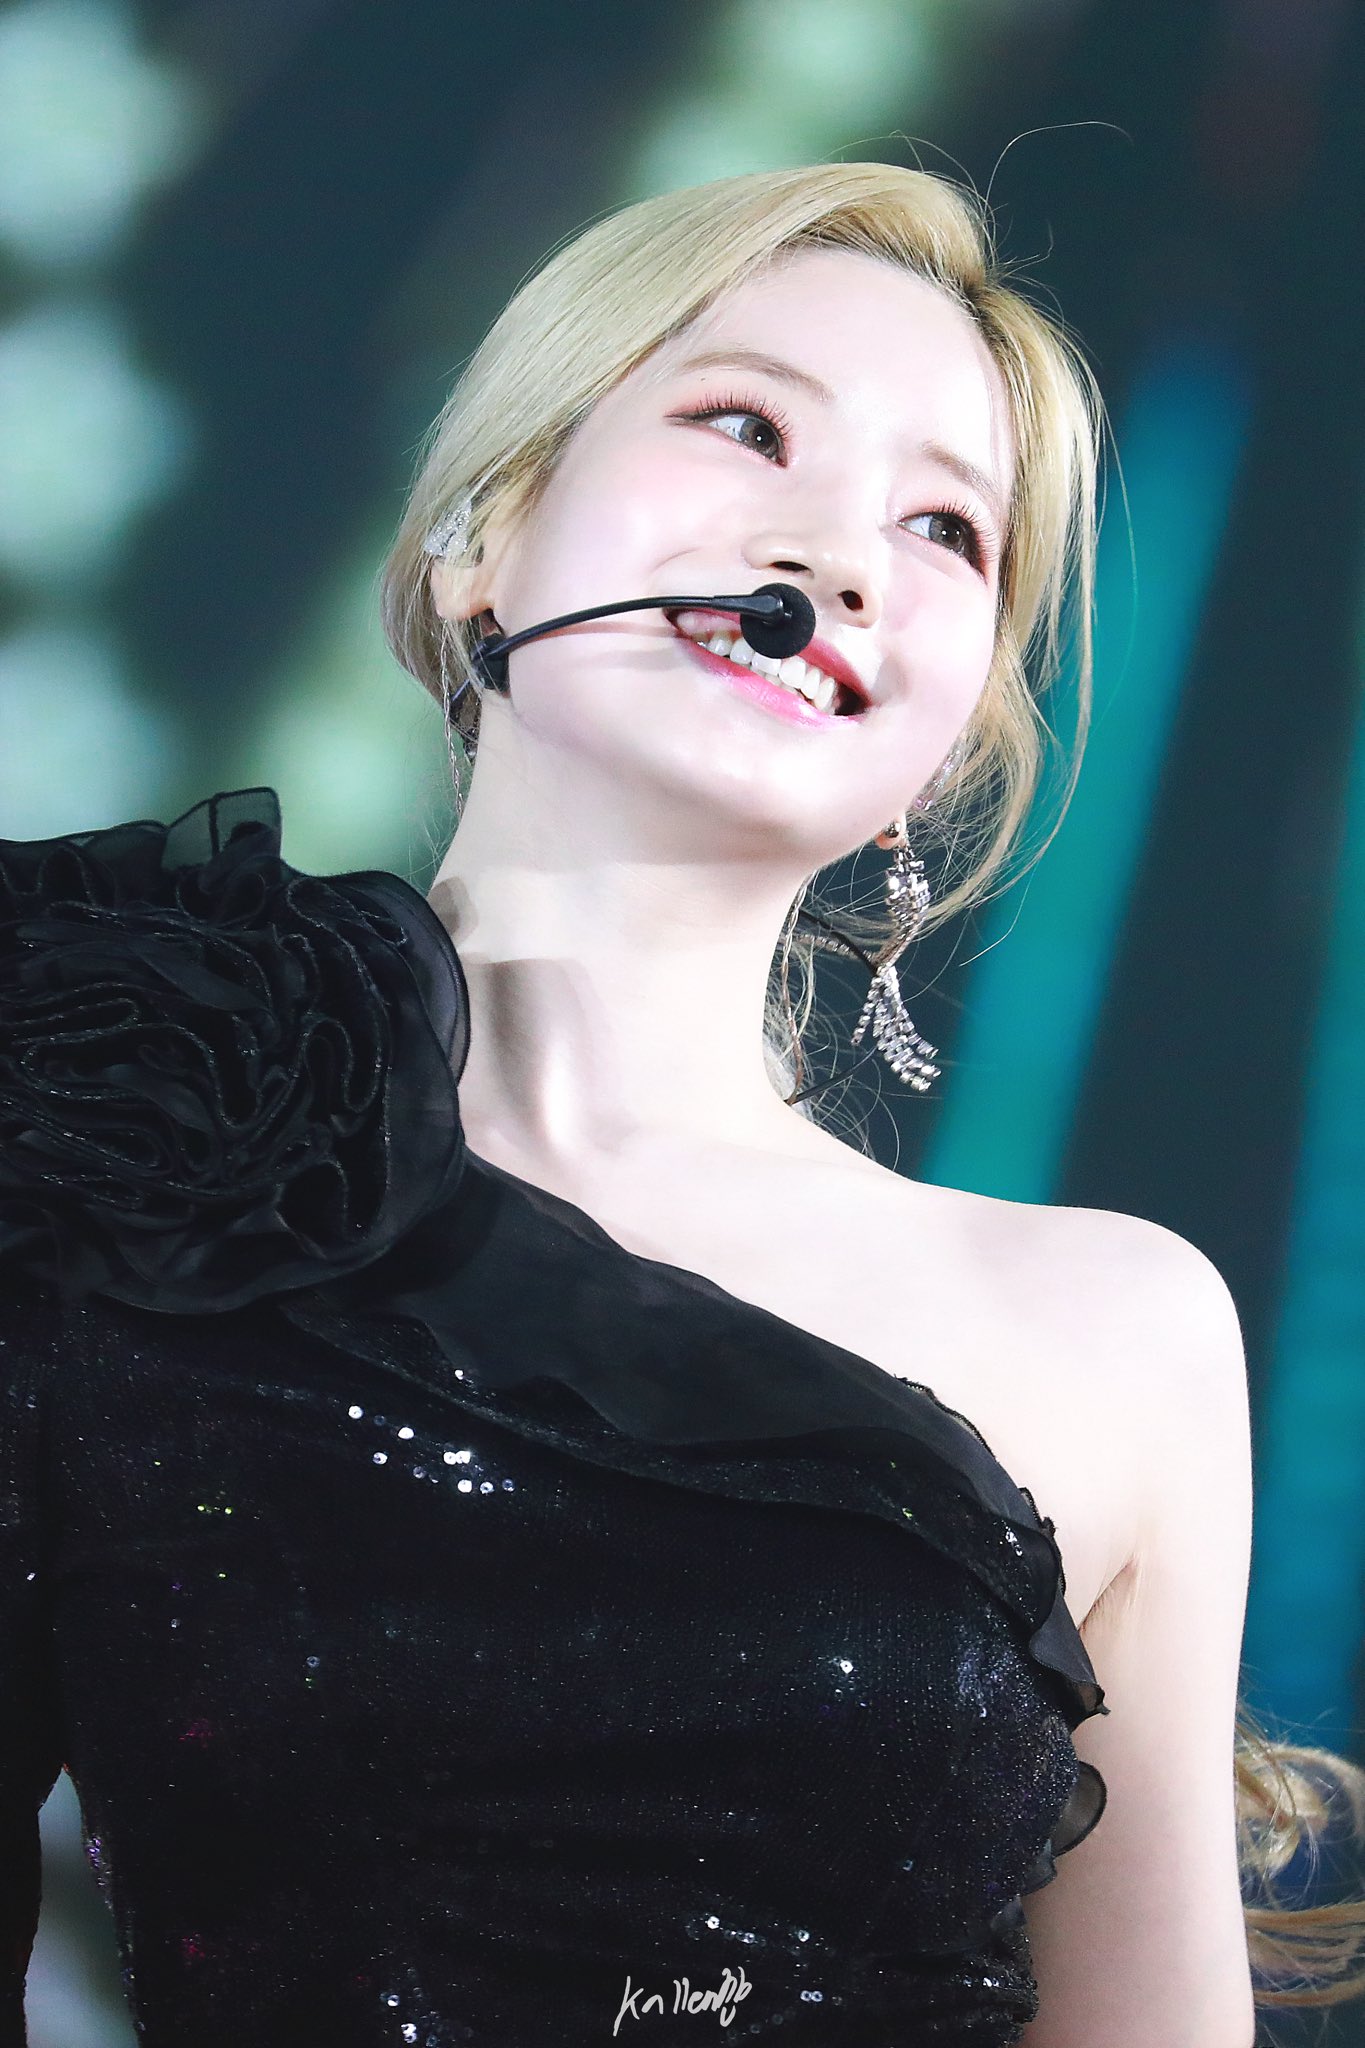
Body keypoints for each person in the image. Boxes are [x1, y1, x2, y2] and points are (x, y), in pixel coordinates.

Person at [1, 162, 1362, 2047]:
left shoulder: (1120, 1328)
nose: (844, 558)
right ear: (485, 538)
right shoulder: (111, 1108)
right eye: (746, 425)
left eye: (944, 529)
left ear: (937, 747)